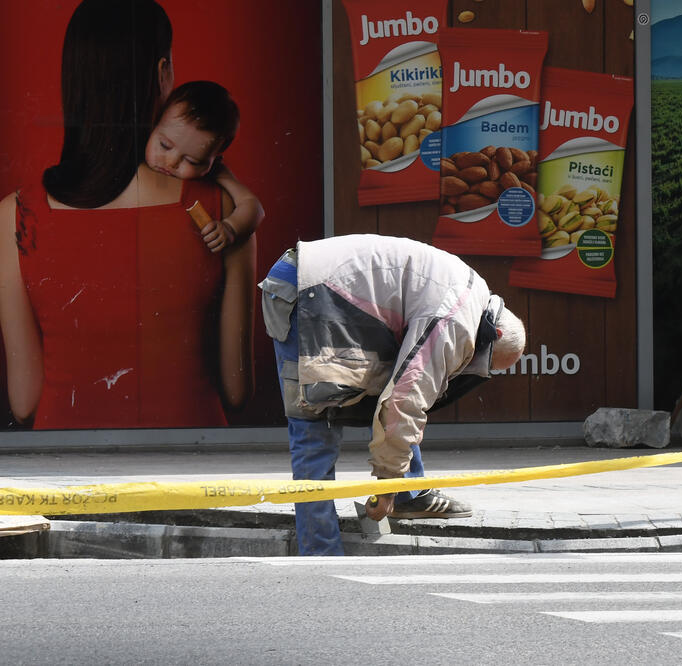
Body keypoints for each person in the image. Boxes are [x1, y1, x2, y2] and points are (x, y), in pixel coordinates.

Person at [0, 0, 256, 429]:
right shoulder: (220, 210)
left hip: (71, 483)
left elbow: (24, 401)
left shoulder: (16, 216)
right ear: (162, 74)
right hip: (192, 472)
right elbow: (237, 389)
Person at [259, 235, 526, 556]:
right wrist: (385, 484)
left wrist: (392, 480)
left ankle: (408, 495)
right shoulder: (454, 322)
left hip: (330, 291)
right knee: (315, 427)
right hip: (305, 288)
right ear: (490, 335)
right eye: (481, 363)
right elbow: (406, 399)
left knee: (399, 384)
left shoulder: (476, 296)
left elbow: (404, 388)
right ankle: (321, 555)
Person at [145, 80, 265, 252]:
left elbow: (254, 206)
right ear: (154, 125)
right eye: (165, 145)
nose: (172, 162)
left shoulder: (216, 172)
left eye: (192, 161)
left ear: (213, 159)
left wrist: (230, 228)